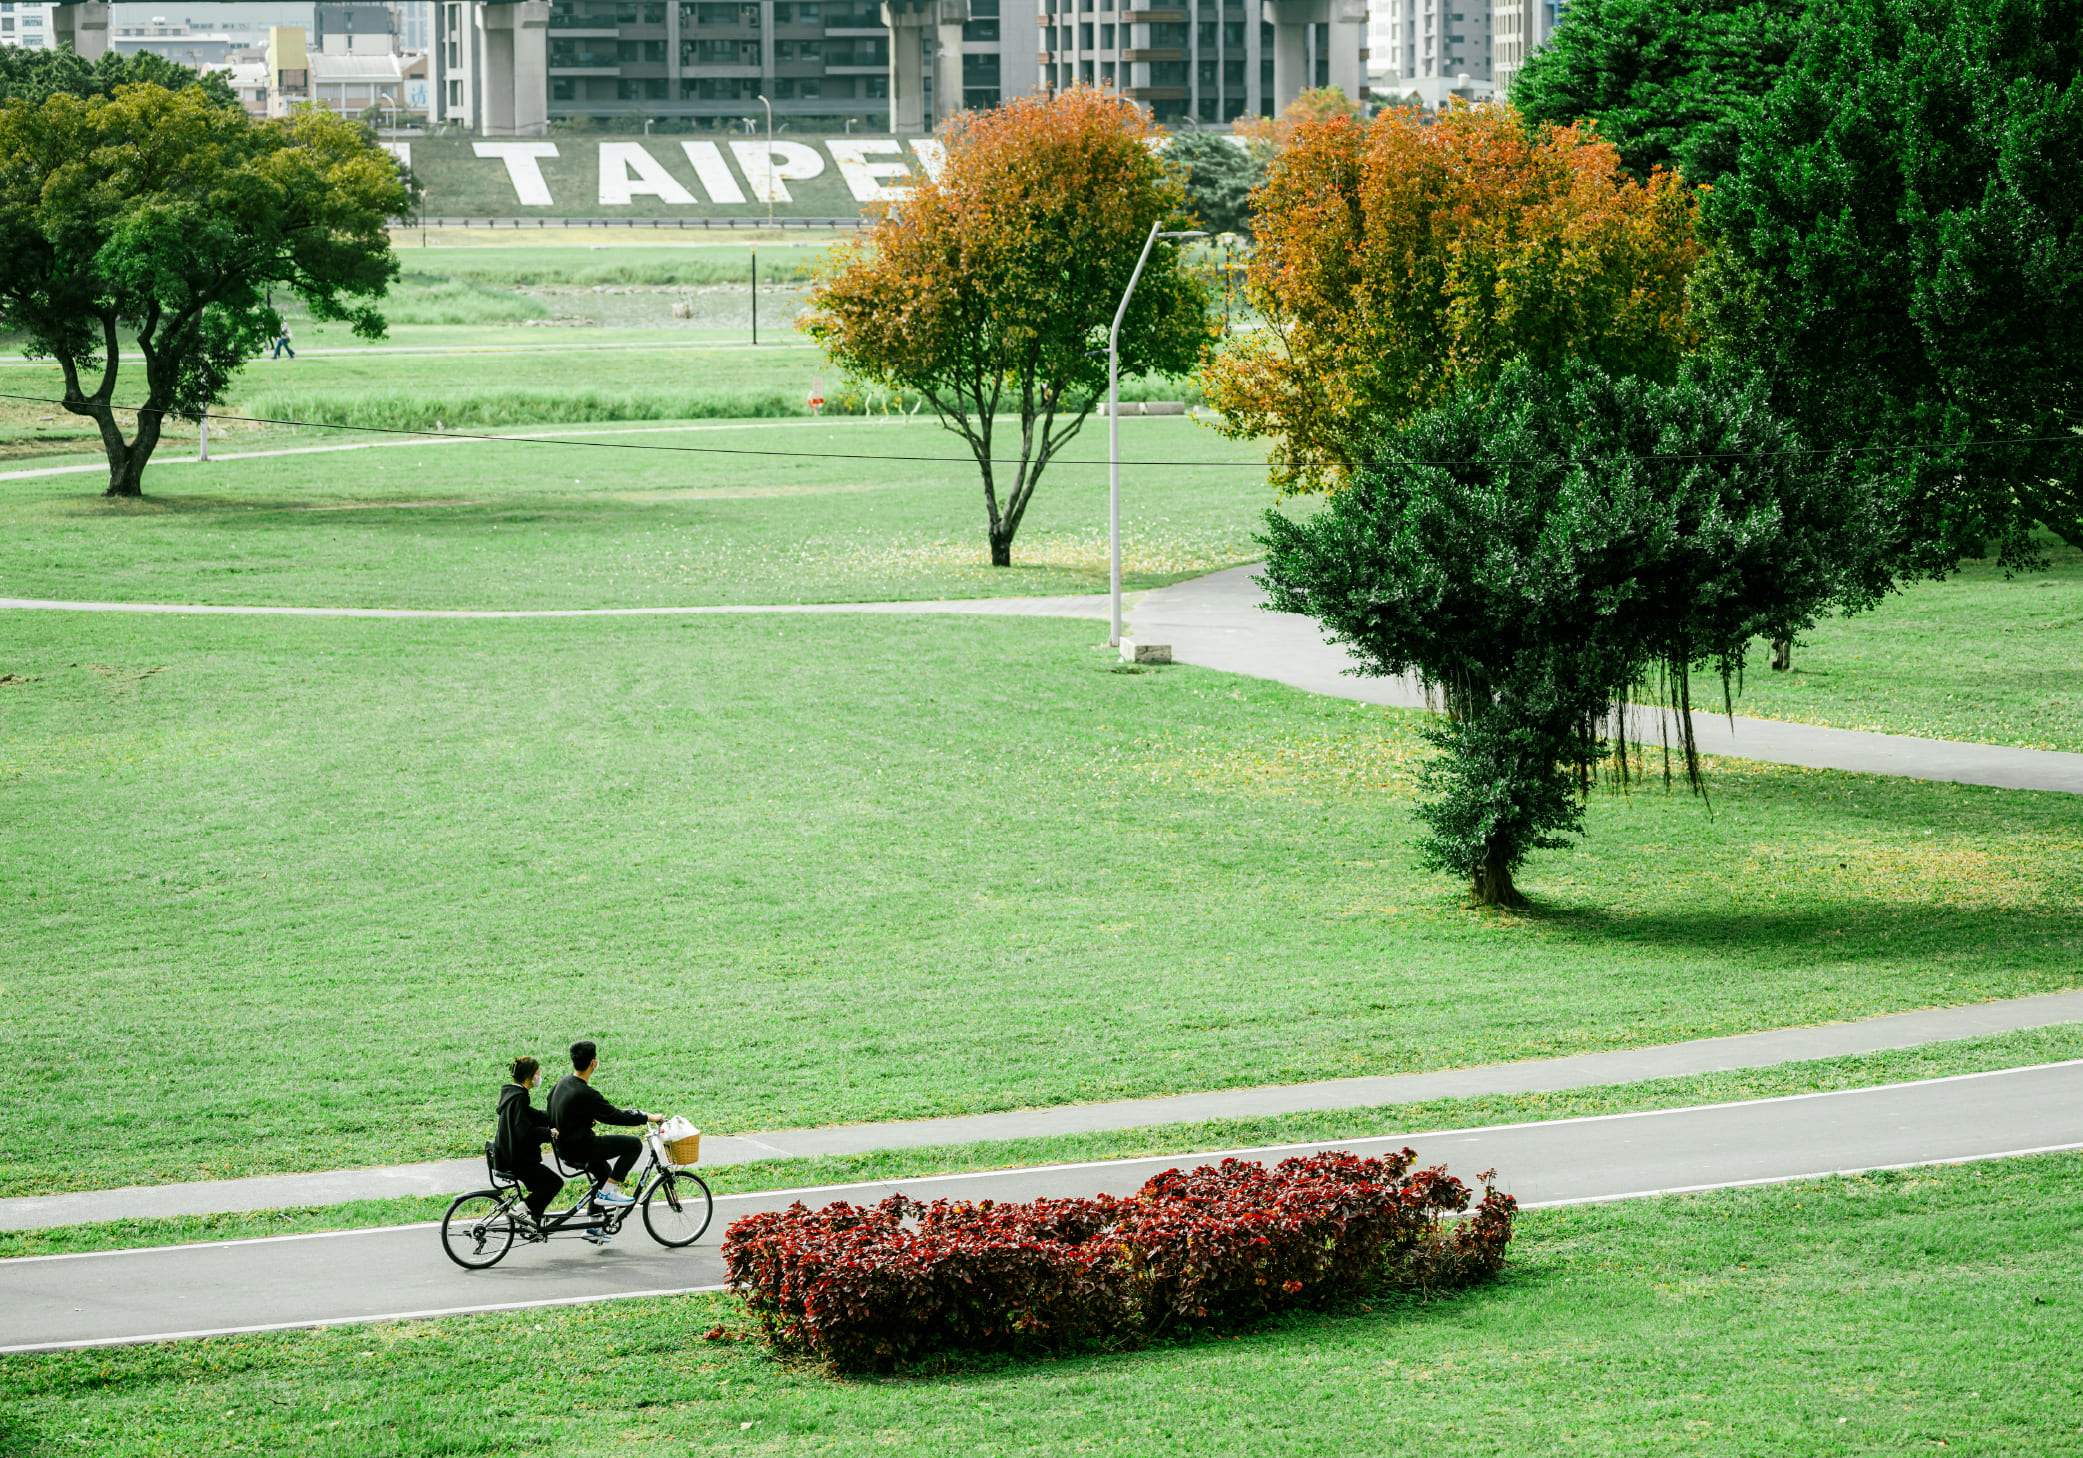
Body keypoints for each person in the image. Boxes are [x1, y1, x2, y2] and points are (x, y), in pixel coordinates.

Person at [547, 1040, 661, 1219]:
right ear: (593, 1063)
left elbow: (554, 1109)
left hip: (564, 1148)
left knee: (604, 1172)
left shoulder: (562, 1083)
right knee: (634, 1145)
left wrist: (582, 1120)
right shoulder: (587, 1094)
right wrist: (647, 1117)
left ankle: (594, 1223)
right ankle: (608, 1192)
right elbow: (615, 1116)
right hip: (581, 1149)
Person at [492, 1056, 562, 1235]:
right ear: (530, 1076)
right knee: (553, 1182)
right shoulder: (519, 1098)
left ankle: (533, 1225)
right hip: (517, 1160)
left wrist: (554, 1116)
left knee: (542, 1185)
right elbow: (524, 1132)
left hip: (507, 1155)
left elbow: (532, 1115)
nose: (539, 1076)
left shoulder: (513, 1095)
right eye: (537, 1073)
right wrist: (549, 1134)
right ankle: (520, 1210)